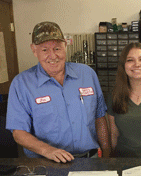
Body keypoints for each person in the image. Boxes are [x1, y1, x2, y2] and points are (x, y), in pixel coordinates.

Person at [6, 21, 110, 162]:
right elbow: (18, 132)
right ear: (34, 50)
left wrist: (107, 156)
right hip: (47, 163)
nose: (52, 56)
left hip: (89, 160)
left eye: (57, 48)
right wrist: (48, 150)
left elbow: (100, 118)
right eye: (44, 50)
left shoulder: (87, 74)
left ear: (65, 46)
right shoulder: (22, 84)